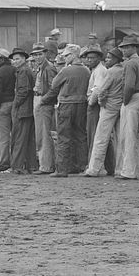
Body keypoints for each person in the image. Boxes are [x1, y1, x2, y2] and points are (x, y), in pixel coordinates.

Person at [41, 43, 89, 176]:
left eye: (67, 55)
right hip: (82, 105)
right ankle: (81, 166)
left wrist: (43, 100)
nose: (65, 58)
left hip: (66, 105)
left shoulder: (66, 71)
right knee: (80, 137)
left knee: (63, 137)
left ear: (74, 55)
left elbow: (54, 86)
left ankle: (62, 169)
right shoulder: (86, 71)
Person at [85, 47, 124, 177]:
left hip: (109, 106)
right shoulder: (123, 70)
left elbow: (101, 90)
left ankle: (95, 168)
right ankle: (120, 168)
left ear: (116, 60)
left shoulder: (110, 72)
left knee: (101, 137)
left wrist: (101, 102)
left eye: (109, 58)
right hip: (120, 105)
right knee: (120, 138)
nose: (106, 60)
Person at [116, 35, 139, 180]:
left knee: (128, 136)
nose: (124, 50)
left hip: (133, 97)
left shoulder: (130, 63)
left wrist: (125, 101)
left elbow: (129, 85)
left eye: (127, 47)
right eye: (123, 47)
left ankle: (129, 171)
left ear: (134, 48)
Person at [83, 44, 113, 175]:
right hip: (95, 105)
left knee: (94, 135)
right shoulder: (95, 69)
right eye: (88, 58)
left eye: (92, 58)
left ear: (99, 58)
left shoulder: (100, 70)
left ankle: (98, 166)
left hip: (95, 106)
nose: (89, 60)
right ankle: (106, 165)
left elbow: (97, 89)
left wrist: (90, 102)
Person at [30, 42, 58, 174]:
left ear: (45, 54)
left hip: (43, 101)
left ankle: (46, 166)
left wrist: (43, 101)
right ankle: (44, 164)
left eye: (40, 54)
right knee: (40, 135)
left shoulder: (49, 68)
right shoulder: (41, 67)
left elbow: (54, 88)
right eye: (35, 55)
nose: (37, 57)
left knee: (44, 135)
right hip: (39, 99)